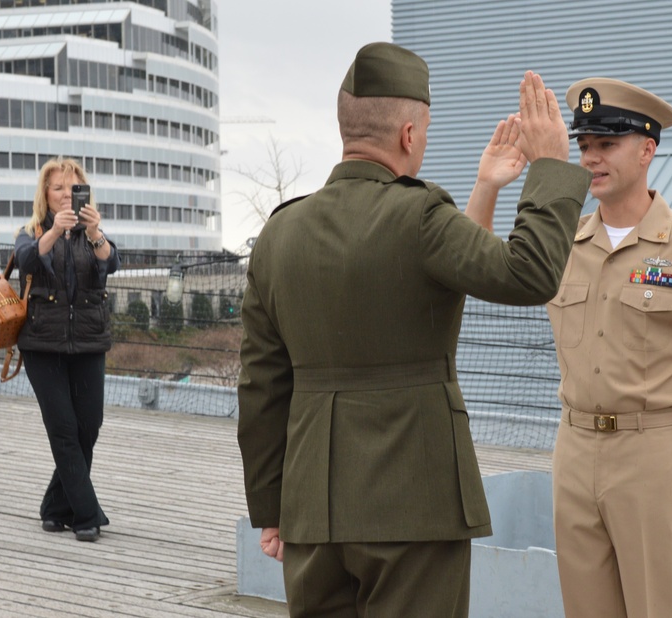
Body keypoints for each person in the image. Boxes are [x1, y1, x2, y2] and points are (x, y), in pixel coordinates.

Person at [237, 42, 591, 617]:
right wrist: (551, 166)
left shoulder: (280, 233)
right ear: (408, 134)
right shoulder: (421, 214)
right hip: (416, 504)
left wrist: (272, 506)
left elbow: (260, 385)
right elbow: (528, 275)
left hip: (312, 508)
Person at [547, 78, 672, 617]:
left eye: (606, 145)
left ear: (646, 149)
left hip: (651, 458)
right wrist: (491, 181)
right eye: (585, 145)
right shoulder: (563, 246)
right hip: (572, 453)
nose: (591, 158)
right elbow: (480, 271)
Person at [14, 157, 118, 543]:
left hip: (89, 342)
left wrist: (96, 233)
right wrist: (54, 232)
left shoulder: (92, 233)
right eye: (58, 188)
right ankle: (88, 515)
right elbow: (27, 261)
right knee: (63, 428)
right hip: (43, 344)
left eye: (72, 188)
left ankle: (55, 507)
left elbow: (112, 263)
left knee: (88, 426)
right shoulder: (31, 231)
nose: (65, 195)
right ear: (45, 193)